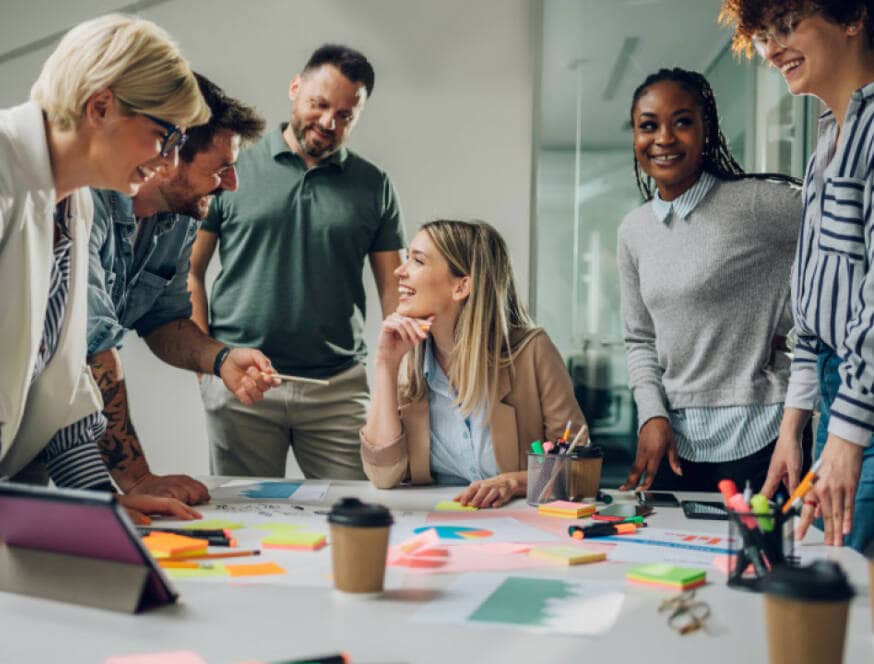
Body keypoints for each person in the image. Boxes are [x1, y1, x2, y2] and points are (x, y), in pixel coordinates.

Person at [0, 14, 210, 560]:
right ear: (101, 106)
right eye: (165, 136)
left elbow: (62, 381)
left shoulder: (77, 199)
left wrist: (95, 500)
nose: (169, 162)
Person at [190, 44, 405, 480]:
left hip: (338, 389)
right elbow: (189, 271)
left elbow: (394, 291)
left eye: (345, 115)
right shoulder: (233, 168)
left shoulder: (374, 185)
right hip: (243, 383)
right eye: (320, 104)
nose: (329, 122)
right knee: (244, 524)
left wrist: (396, 380)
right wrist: (207, 366)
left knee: (354, 515)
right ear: (295, 88)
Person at [721, 0, 874, 552]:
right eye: (765, 36)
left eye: (787, 27)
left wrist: (848, 438)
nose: (772, 50)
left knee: (851, 582)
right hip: (839, 396)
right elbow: (811, 308)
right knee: (829, 569)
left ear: (852, 17)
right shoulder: (828, 142)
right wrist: (794, 429)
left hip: (865, 401)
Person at [87, 73, 274, 506]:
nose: (232, 184)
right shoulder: (84, 203)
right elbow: (92, 344)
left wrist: (220, 358)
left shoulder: (180, 216)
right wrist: (137, 479)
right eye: (221, 168)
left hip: (58, 431)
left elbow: (164, 319)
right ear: (168, 154)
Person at [617, 67, 803, 493]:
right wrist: (651, 414)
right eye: (649, 126)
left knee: (764, 561)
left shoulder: (755, 203)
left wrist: (795, 317)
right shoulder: (634, 229)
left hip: (762, 436)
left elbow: (848, 233)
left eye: (682, 122)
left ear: (707, 132)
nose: (663, 138)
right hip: (673, 443)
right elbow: (639, 339)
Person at [360, 220, 588, 508]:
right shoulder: (406, 355)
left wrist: (514, 482)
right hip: (438, 521)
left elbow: (580, 469)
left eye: (417, 261)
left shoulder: (533, 352)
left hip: (518, 524)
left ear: (461, 286)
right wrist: (385, 365)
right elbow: (382, 475)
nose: (399, 271)